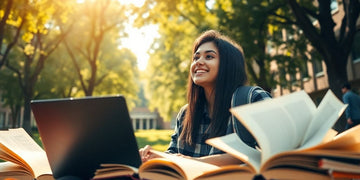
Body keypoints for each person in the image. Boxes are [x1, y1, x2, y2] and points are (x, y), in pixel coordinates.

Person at [139, 30, 271, 166]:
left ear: (228, 65)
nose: (198, 62)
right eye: (196, 58)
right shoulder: (185, 114)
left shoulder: (252, 99)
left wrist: (193, 162)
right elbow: (174, 156)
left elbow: (272, 153)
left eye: (209, 57)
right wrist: (154, 157)